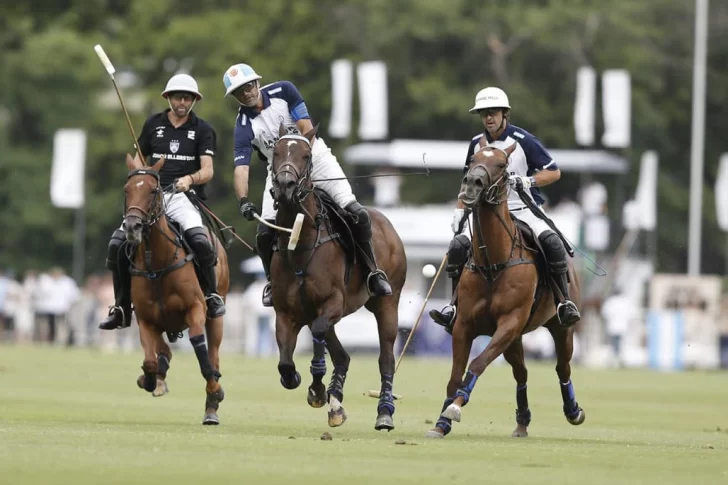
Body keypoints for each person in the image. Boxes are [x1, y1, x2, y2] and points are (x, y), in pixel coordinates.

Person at [222, 63, 392, 307]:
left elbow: (306, 127)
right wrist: (243, 200)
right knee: (264, 233)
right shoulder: (243, 125)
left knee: (357, 212)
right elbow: (241, 168)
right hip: (279, 172)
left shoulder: (284, 90)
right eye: (239, 91)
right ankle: (272, 282)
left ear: (256, 83)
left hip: (314, 156)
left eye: (248, 86)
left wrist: (302, 161)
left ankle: (372, 271)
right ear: (235, 97)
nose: (246, 93)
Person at [429, 86, 580, 331]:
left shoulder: (523, 140)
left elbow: (554, 172)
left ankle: (563, 302)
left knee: (552, 243)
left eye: (493, 112)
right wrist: (460, 210)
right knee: (457, 247)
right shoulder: (475, 144)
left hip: (523, 208)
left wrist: (528, 180)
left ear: (504, 113)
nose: (488, 117)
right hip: (484, 213)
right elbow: (467, 181)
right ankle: (454, 305)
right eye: (484, 113)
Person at [98, 74, 226, 330]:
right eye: (178, 96)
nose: (182, 101)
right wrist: (139, 177)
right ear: (168, 98)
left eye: (187, 97)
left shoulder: (202, 129)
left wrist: (189, 179)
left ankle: (211, 296)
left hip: (181, 196)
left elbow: (208, 170)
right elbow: (137, 161)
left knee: (200, 240)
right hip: (150, 198)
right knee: (116, 244)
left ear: (193, 101)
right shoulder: (153, 124)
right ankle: (121, 307)